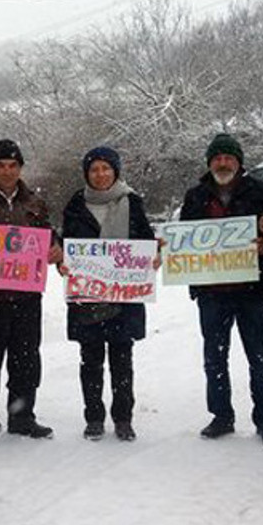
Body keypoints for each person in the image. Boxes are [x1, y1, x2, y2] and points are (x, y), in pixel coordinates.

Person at [0, 138, 64, 451]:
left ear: (20, 169)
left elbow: (47, 234)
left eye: (13, 165)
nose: (7, 171)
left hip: (26, 299)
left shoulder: (35, 202)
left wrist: (55, 246)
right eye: (0, 166)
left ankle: (22, 417)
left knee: (26, 362)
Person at [179, 134, 263, 448]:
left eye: (228, 158)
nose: (222, 163)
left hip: (253, 290)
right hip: (212, 292)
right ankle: (221, 415)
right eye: (217, 158)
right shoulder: (195, 196)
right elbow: (183, 238)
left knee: (259, 358)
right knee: (214, 357)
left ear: (239, 162)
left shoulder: (262, 192)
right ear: (209, 163)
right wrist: (173, 249)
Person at [60, 146, 154, 442]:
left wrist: (153, 257)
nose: (100, 174)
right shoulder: (75, 205)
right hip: (88, 296)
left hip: (123, 297)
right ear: (86, 174)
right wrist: (64, 261)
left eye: (106, 168)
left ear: (115, 171)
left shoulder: (132, 203)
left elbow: (145, 242)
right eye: (94, 169)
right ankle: (94, 417)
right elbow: (67, 245)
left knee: (122, 360)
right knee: (90, 360)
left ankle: (123, 418)